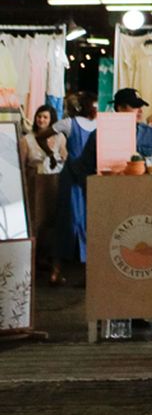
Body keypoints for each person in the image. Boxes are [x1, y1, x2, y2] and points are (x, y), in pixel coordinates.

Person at [49, 94, 95, 284]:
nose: (95, 109)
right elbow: (44, 134)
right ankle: (57, 270)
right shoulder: (69, 123)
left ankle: (80, 272)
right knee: (70, 220)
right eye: (93, 105)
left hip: (87, 176)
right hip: (76, 177)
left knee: (85, 222)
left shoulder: (95, 125)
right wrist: (50, 154)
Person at [21, 105, 65, 277]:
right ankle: (32, 256)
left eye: (45, 117)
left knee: (52, 220)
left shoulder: (60, 138)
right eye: (39, 116)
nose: (41, 120)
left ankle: (48, 256)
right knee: (35, 219)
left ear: (52, 119)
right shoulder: (28, 139)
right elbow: (23, 162)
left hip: (54, 182)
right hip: (35, 183)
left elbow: (64, 156)